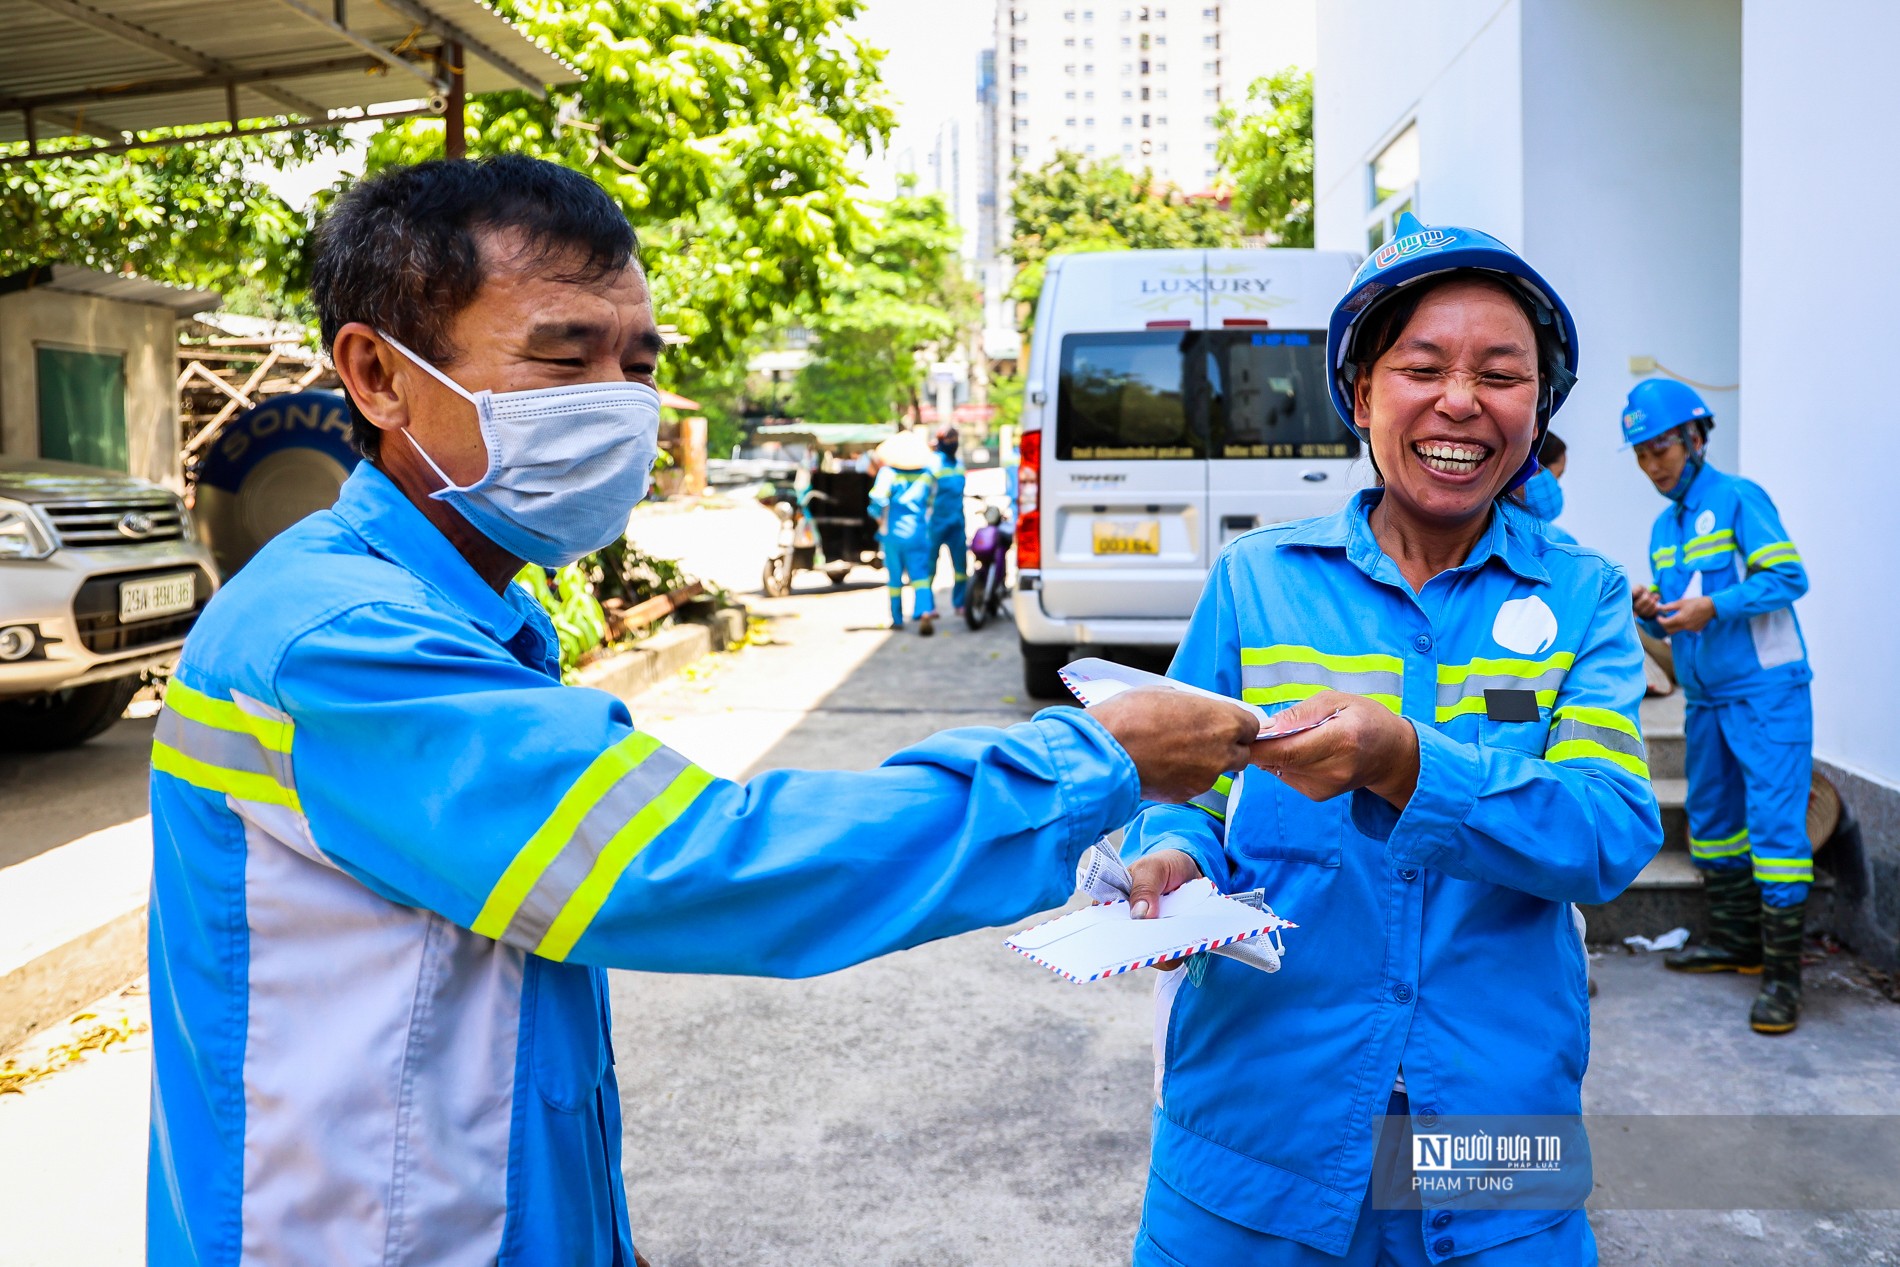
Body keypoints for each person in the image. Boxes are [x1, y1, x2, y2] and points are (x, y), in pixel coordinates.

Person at [144, 156, 1273, 1265]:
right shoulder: (343, 639)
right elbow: (689, 863)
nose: (621, 406)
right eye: (561, 357)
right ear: (379, 376)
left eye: (636, 362)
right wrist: (1087, 765)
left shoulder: (457, 612)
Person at [1119, 214, 1661, 1265]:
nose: (1460, 399)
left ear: (1534, 411)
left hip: (1496, 1129)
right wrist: (1174, 853)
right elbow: (1186, 788)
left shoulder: (1583, 595)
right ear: (1360, 395)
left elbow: (1606, 830)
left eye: (1500, 374)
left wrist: (1404, 761)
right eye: (1423, 366)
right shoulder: (1257, 580)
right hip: (1257, 1117)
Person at [1623, 378, 1814, 1033]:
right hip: (1705, 699)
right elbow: (1682, 620)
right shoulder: (1662, 525)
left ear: (1695, 437)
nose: (1653, 465)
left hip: (1767, 695)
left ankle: (1784, 979)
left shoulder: (1737, 498)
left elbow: (1789, 576)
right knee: (1712, 824)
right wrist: (1654, 614)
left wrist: (1715, 605)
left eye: (1661, 449)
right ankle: (1737, 943)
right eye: (1642, 454)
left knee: (1776, 832)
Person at [869, 428, 939, 634]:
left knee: (895, 578)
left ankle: (897, 619)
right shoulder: (927, 475)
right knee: (920, 575)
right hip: (918, 532)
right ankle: (925, 611)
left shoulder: (888, 473)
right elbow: (931, 502)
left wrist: (877, 516)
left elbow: (877, 498)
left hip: (892, 533)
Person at [927, 423, 971, 613]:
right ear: (940, 441)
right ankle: (927, 606)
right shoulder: (933, 463)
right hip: (935, 523)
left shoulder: (959, 464)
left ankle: (960, 603)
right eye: (949, 438)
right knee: (929, 567)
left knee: (961, 566)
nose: (953, 442)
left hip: (957, 523)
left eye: (955, 438)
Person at [1510, 430, 1577, 545]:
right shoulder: (1556, 543)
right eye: (1556, 476)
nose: (1556, 487)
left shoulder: (1480, 521)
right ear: (1531, 468)